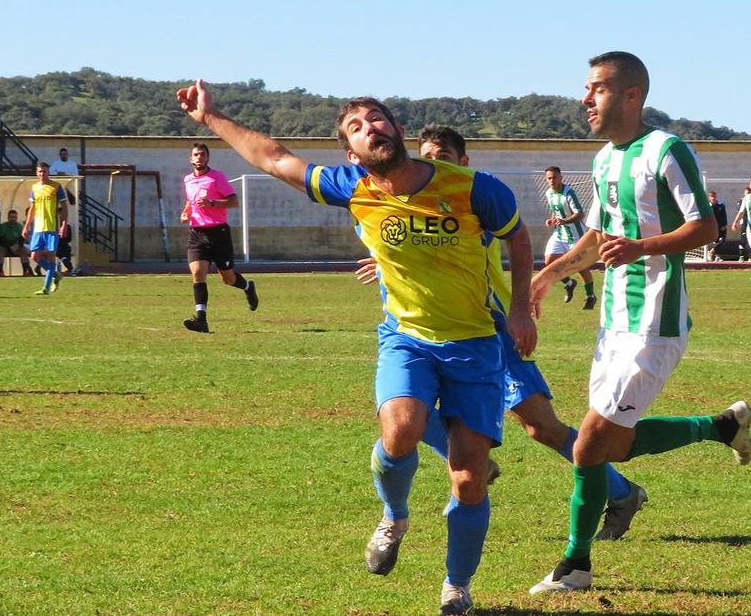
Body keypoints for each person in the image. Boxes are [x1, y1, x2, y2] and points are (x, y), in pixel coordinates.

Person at [177, 79, 536, 616]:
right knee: (400, 427)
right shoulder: (352, 186)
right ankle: (394, 515)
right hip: (407, 337)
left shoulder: (473, 187)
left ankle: (456, 588)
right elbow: (275, 159)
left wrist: (520, 309)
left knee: (468, 479)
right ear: (352, 153)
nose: (371, 129)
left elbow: (519, 237)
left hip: (475, 344)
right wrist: (212, 119)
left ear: (399, 130)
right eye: (357, 127)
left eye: (377, 119)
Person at [526, 52, 751, 595]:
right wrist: (547, 273)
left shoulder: (667, 150)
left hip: (656, 323)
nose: (586, 100)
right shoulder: (604, 160)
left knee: (587, 447)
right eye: (587, 89)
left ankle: (574, 566)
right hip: (613, 324)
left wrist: (642, 247)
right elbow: (598, 236)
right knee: (616, 448)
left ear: (631, 96)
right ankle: (722, 426)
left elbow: (706, 227)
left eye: (598, 89)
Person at [356, 125, 647, 542]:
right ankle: (472, 461)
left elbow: (461, 245)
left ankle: (623, 491)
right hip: (436, 336)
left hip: (493, 333)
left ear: (464, 163)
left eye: (443, 157)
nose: (432, 166)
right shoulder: (405, 202)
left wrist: (520, 312)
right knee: (405, 412)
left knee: (541, 427)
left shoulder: (474, 202)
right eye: (425, 157)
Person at [178, 142, 258, 333]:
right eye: (196, 155)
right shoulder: (188, 180)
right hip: (196, 233)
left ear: (208, 158)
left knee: (228, 279)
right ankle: (201, 320)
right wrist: (185, 213)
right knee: (198, 274)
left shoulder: (217, 177)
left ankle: (248, 287)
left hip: (218, 233)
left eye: (203, 154)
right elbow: (190, 202)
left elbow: (234, 201)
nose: (199, 157)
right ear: (191, 159)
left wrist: (212, 203)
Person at [544, 166, 597, 309]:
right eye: (549, 178)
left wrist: (565, 221)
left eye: (554, 177)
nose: (552, 180)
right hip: (560, 234)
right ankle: (569, 283)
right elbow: (555, 212)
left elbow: (580, 213)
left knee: (581, 266)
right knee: (549, 260)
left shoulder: (569, 192)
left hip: (575, 235)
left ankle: (591, 295)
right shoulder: (549, 193)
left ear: (561, 177)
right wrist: (552, 219)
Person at [22, 162, 68, 295]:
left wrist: (63, 224)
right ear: (37, 173)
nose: (42, 174)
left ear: (48, 172)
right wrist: (26, 226)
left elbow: (64, 207)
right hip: (38, 228)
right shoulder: (35, 188)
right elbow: (32, 209)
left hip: (52, 227)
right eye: (40, 172)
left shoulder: (56, 187)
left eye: (44, 171)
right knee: (34, 256)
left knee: (50, 257)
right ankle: (56, 275)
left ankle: (46, 288)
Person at [0, 209, 34, 277]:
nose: (13, 219)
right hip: (4, 246)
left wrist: (18, 245)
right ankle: (1, 272)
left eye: (15, 217)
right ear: (8, 218)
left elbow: (22, 239)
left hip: (16, 248)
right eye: (12, 217)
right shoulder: (3, 226)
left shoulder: (19, 227)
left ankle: (25, 272)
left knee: (24, 251)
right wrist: (9, 247)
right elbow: (0, 239)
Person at [705, 190, 728, 262]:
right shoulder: (708, 206)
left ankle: (712, 252)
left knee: (722, 240)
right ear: (709, 198)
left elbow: (724, 216)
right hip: (712, 226)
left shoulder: (721, 205)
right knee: (716, 241)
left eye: (714, 196)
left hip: (721, 226)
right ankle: (717, 256)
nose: (713, 198)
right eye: (712, 197)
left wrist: (724, 224)